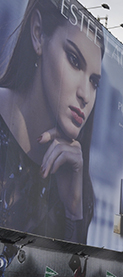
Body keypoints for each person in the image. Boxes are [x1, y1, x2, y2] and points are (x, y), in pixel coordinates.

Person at [0, 0, 104, 244]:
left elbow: (71, 271)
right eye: (74, 60)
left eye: (94, 81)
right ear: (38, 35)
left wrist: (74, 208)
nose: (85, 95)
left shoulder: (75, 173)